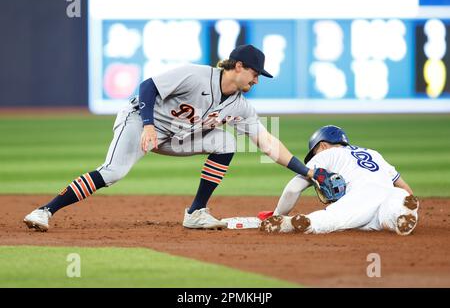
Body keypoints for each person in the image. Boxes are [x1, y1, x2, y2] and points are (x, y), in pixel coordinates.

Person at [23, 44, 333, 232]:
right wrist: (147, 125)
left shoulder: (240, 105)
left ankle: (195, 213)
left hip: (176, 137)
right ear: (238, 66)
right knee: (114, 172)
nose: (256, 79)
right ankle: (45, 210)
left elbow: (268, 143)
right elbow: (148, 87)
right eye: (255, 73)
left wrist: (307, 172)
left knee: (225, 142)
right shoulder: (196, 75)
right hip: (140, 121)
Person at [260, 125, 419, 236]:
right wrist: (407, 198)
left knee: (334, 218)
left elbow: (293, 188)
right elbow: (404, 188)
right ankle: (401, 214)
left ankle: (295, 223)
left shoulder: (326, 154)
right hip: (391, 192)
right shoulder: (372, 153)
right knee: (386, 213)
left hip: (361, 196)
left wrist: (277, 215)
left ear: (322, 146)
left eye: (314, 153)